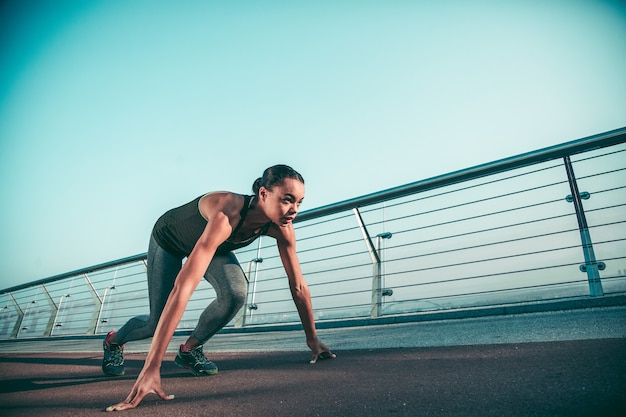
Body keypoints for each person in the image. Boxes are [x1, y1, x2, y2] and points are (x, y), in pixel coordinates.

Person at [103, 164, 335, 412]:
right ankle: (114, 341)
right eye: (287, 200)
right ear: (264, 194)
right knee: (155, 321)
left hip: (214, 246)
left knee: (235, 293)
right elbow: (183, 287)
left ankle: (189, 350)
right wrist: (152, 368)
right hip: (170, 239)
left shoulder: (282, 229)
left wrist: (312, 338)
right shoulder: (227, 214)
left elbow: (298, 286)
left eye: (299, 202)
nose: (294, 210)